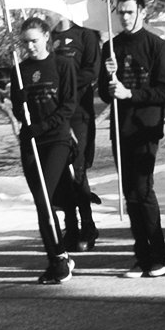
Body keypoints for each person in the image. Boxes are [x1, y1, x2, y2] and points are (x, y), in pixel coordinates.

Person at [101, 0, 165, 278]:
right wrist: (108, 76)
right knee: (130, 194)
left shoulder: (157, 46)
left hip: (146, 128)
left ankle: (158, 256)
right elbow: (104, 95)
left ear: (142, 12)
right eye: (121, 12)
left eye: (130, 12)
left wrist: (130, 93)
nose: (125, 17)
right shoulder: (111, 47)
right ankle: (141, 256)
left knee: (143, 191)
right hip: (121, 128)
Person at [6, 17, 78, 285]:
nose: (30, 47)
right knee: (40, 201)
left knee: (45, 197)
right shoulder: (19, 70)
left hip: (56, 139)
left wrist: (44, 126)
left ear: (47, 36)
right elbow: (18, 109)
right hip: (31, 142)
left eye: (34, 41)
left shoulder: (62, 65)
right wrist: (20, 104)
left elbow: (69, 105)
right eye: (25, 42)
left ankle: (60, 257)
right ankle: (56, 258)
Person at [49, 16, 103, 251]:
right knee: (61, 169)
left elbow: (92, 72)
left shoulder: (85, 35)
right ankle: (70, 227)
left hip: (79, 112)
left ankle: (88, 225)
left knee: (77, 168)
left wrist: (64, 81)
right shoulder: (47, 36)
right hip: (55, 113)